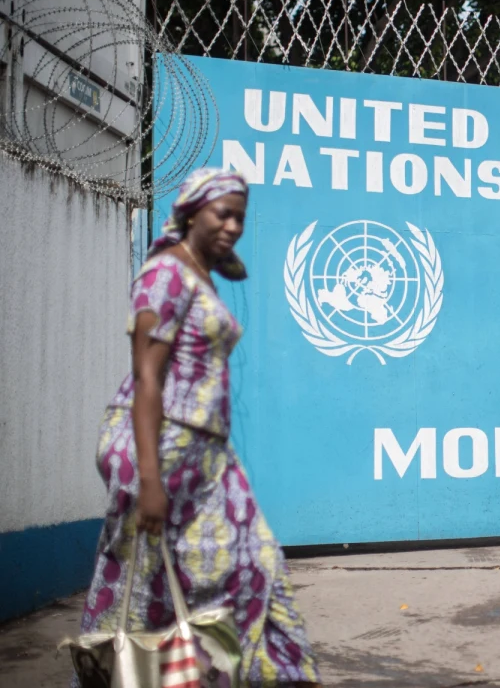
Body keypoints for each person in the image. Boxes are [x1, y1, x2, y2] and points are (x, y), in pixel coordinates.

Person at [75, 168, 321, 687]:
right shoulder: (165, 273)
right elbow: (147, 376)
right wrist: (149, 480)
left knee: (251, 564)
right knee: (143, 585)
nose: (233, 226)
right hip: (160, 443)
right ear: (192, 212)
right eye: (222, 213)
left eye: (240, 217)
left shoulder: (200, 274)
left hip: (206, 454)